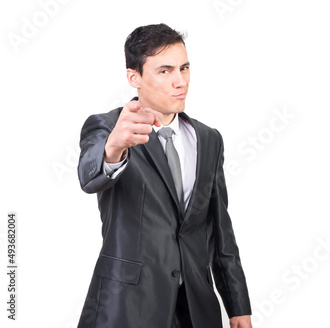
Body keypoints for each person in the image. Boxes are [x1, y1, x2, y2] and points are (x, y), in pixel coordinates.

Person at [76, 23, 252, 328]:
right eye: (165, 71)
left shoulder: (209, 138)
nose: (180, 81)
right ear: (134, 77)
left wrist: (238, 307)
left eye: (184, 68)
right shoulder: (108, 127)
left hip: (196, 310)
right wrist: (113, 148)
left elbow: (221, 231)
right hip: (128, 306)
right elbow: (89, 177)